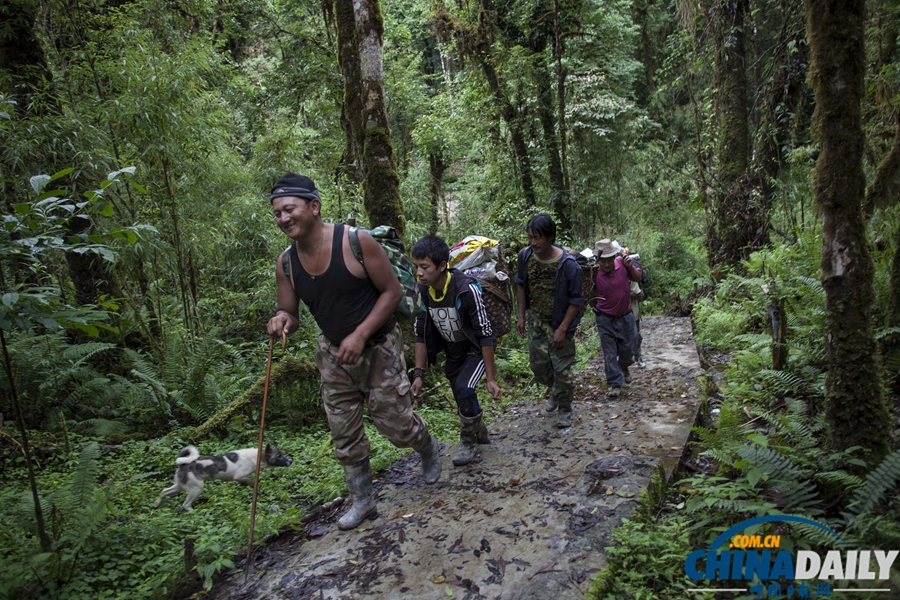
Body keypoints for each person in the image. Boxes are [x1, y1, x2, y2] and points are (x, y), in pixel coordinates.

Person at [266, 173, 441, 531]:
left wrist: (360, 335)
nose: (283, 219)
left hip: (379, 348)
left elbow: (391, 293)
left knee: (398, 427)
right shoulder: (286, 264)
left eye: (289, 209)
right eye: (277, 214)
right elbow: (291, 313)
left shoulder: (356, 242)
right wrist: (281, 320)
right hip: (333, 356)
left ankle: (427, 447)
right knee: (344, 432)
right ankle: (363, 500)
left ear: (314, 206)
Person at [410, 236, 502, 466]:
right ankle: (480, 432)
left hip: (475, 350)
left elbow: (484, 332)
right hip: (453, 352)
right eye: (416, 267)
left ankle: (468, 442)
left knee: (464, 388)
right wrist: (418, 374)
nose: (419, 273)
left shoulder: (466, 290)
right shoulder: (423, 292)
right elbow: (420, 332)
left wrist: (491, 378)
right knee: (462, 398)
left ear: (442, 266)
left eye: (424, 267)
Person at [514, 214, 584, 427]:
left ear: (551, 237)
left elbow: (576, 300)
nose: (533, 242)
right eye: (530, 237)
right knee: (538, 368)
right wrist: (521, 316)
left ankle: (565, 408)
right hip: (537, 320)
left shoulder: (568, 265)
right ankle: (555, 390)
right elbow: (520, 285)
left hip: (561, 321)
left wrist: (562, 329)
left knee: (562, 369)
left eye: (538, 238)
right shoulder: (525, 256)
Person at [592, 239, 642, 398]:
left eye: (609, 260)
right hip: (605, 318)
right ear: (598, 260)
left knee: (629, 347)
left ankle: (624, 365)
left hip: (625, 315)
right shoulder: (593, 273)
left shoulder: (623, 263)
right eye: (603, 261)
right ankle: (614, 383)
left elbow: (637, 278)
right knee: (609, 352)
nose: (606, 264)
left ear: (614, 256)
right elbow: (587, 294)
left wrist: (630, 267)